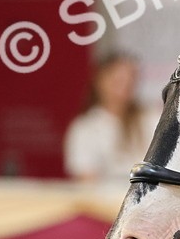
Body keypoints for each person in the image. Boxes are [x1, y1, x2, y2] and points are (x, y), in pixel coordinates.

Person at [64, 53, 159, 183]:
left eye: (130, 80)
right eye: (118, 80)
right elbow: (85, 177)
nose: (124, 87)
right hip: (104, 200)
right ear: (100, 81)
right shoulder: (86, 127)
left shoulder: (151, 118)